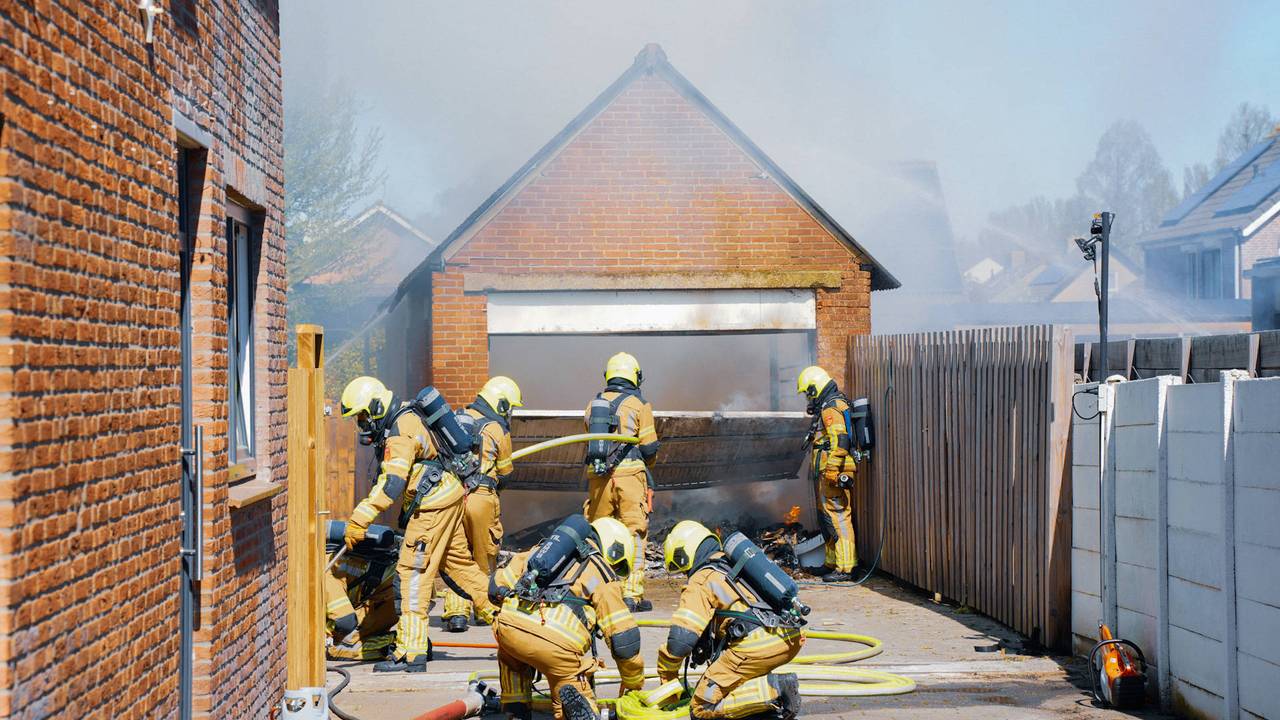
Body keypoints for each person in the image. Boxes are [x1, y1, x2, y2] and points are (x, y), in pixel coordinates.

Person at [339, 376, 497, 672]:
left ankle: (410, 652)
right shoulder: (408, 416)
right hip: (447, 497)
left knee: (411, 573)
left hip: (432, 507)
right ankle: (509, 620)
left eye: (362, 416)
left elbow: (392, 482)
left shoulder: (400, 430)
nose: (362, 424)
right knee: (462, 569)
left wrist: (361, 517)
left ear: (374, 406)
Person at [491, 516, 645, 720]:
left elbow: (494, 588)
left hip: (508, 628)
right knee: (568, 682)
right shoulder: (603, 572)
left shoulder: (541, 551)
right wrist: (633, 683)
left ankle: (514, 709)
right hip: (558, 641)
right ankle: (574, 704)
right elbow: (623, 639)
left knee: (512, 660)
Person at [654, 521, 803, 720]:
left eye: (681, 569)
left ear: (684, 554)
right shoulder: (730, 563)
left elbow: (681, 640)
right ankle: (772, 706)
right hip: (788, 634)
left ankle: (775, 689)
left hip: (756, 645)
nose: (684, 574)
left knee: (702, 706)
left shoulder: (702, 579)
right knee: (732, 693)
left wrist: (666, 671)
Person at [442, 376, 522, 632]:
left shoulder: (456, 419)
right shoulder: (497, 429)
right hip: (482, 497)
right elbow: (506, 471)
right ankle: (482, 607)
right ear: (500, 404)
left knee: (457, 554)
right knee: (484, 553)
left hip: (452, 495)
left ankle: (456, 613)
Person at [582, 352, 660, 612]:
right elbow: (649, 450)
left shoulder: (593, 405)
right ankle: (631, 594)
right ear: (635, 377)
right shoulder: (640, 405)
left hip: (598, 478)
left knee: (599, 533)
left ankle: (600, 590)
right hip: (630, 477)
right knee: (634, 532)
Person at [796, 365, 858, 582]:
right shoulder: (827, 405)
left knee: (839, 518)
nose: (808, 398)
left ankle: (846, 568)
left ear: (815, 388)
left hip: (832, 472)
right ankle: (831, 563)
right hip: (825, 473)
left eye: (808, 393)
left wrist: (831, 469)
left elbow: (841, 441)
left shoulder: (831, 407)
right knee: (827, 519)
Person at [323, 528, 398, 661]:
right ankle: (403, 642)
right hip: (390, 588)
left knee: (336, 648)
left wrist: (326, 635)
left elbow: (345, 621)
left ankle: (398, 646)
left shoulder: (324, 572)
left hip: (390, 593)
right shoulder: (328, 561)